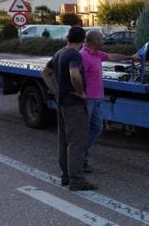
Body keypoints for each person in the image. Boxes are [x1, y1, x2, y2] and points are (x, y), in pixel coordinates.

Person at [41, 26, 97, 191]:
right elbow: (74, 73)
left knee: (64, 141)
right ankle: (77, 179)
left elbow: (45, 73)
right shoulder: (74, 55)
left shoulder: (59, 53)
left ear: (68, 38)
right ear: (83, 40)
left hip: (62, 102)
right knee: (77, 142)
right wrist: (81, 93)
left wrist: (57, 91)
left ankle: (66, 176)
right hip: (74, 104)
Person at [80, 30, 140, 172]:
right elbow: (75, 76)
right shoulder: (84, 56)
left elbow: (112, 56)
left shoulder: (97, 54)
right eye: (101, 39)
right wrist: (81, 94)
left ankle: (81, 152)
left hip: (97, 98)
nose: (103, 41)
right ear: (94, 41)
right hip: (87, 99)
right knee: (82, 130)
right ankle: (78, 159)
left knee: (97, 127)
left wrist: (130, 57)